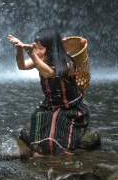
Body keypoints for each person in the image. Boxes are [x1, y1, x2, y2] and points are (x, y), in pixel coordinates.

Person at [7, 27, 90, 155]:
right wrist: (19, 49)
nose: (37, 51)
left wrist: (32, 55)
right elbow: (22, 66)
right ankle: (39, 149)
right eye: (36, 47)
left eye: (41, 48)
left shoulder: (67, 64)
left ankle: (59, 151)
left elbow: (49, 73)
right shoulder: (41, 60)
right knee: (38, 116)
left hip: (70, 107)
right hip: (52, 105)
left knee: (57, 120)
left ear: (52, 48)